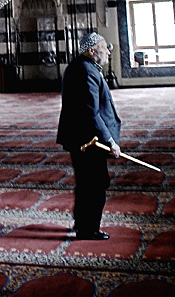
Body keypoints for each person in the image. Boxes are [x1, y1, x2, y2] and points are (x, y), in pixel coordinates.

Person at [57, 32, 121, 240]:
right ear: (92, 50)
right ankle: (88, 229)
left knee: (86, 183)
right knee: (95, 184)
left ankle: (81, 224)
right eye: (104, 47)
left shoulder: (81, 67)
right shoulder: (86, 71)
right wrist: (110, 141)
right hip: (89, 141)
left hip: (81, 139)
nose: (108, 51)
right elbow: (91, 113)